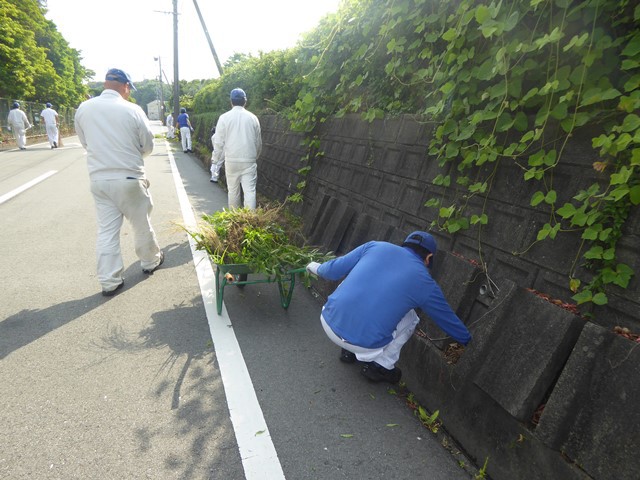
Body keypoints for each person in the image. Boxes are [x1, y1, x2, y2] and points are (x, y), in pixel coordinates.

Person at [306, 231, 472, 384]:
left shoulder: (374, 246)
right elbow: (447, 321)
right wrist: (467, 342)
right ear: (428, 257)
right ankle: (380, 367)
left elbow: (331, 271)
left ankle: (347, 352)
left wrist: (313, 266)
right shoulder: (424, 280)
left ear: (405, 245)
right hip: (364, 345)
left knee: (352, 284)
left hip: (328, 321)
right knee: (412, 318)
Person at [74, 68, 164, 297]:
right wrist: (135, 156)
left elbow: (85, 143)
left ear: (106, 84)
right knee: (141, 223)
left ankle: (109, 281)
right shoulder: (132, 109)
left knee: (106, 231)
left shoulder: (84, 109)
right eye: (128, 89)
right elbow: (148, 144)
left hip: (99, 180)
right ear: (124, 85)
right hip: (129, 177)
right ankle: (150, 262)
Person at [210, 88, 262, 209]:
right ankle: (250, 221)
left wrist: (215, 160)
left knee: (233, 191)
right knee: (250, 191)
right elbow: (258, 142)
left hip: (231, 160)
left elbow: (218, 142)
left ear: (231, 101)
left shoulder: (224, 117)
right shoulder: (253, 118)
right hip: (249, 160)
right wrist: (255, 156)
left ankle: (234, 219)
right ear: (245, 101)